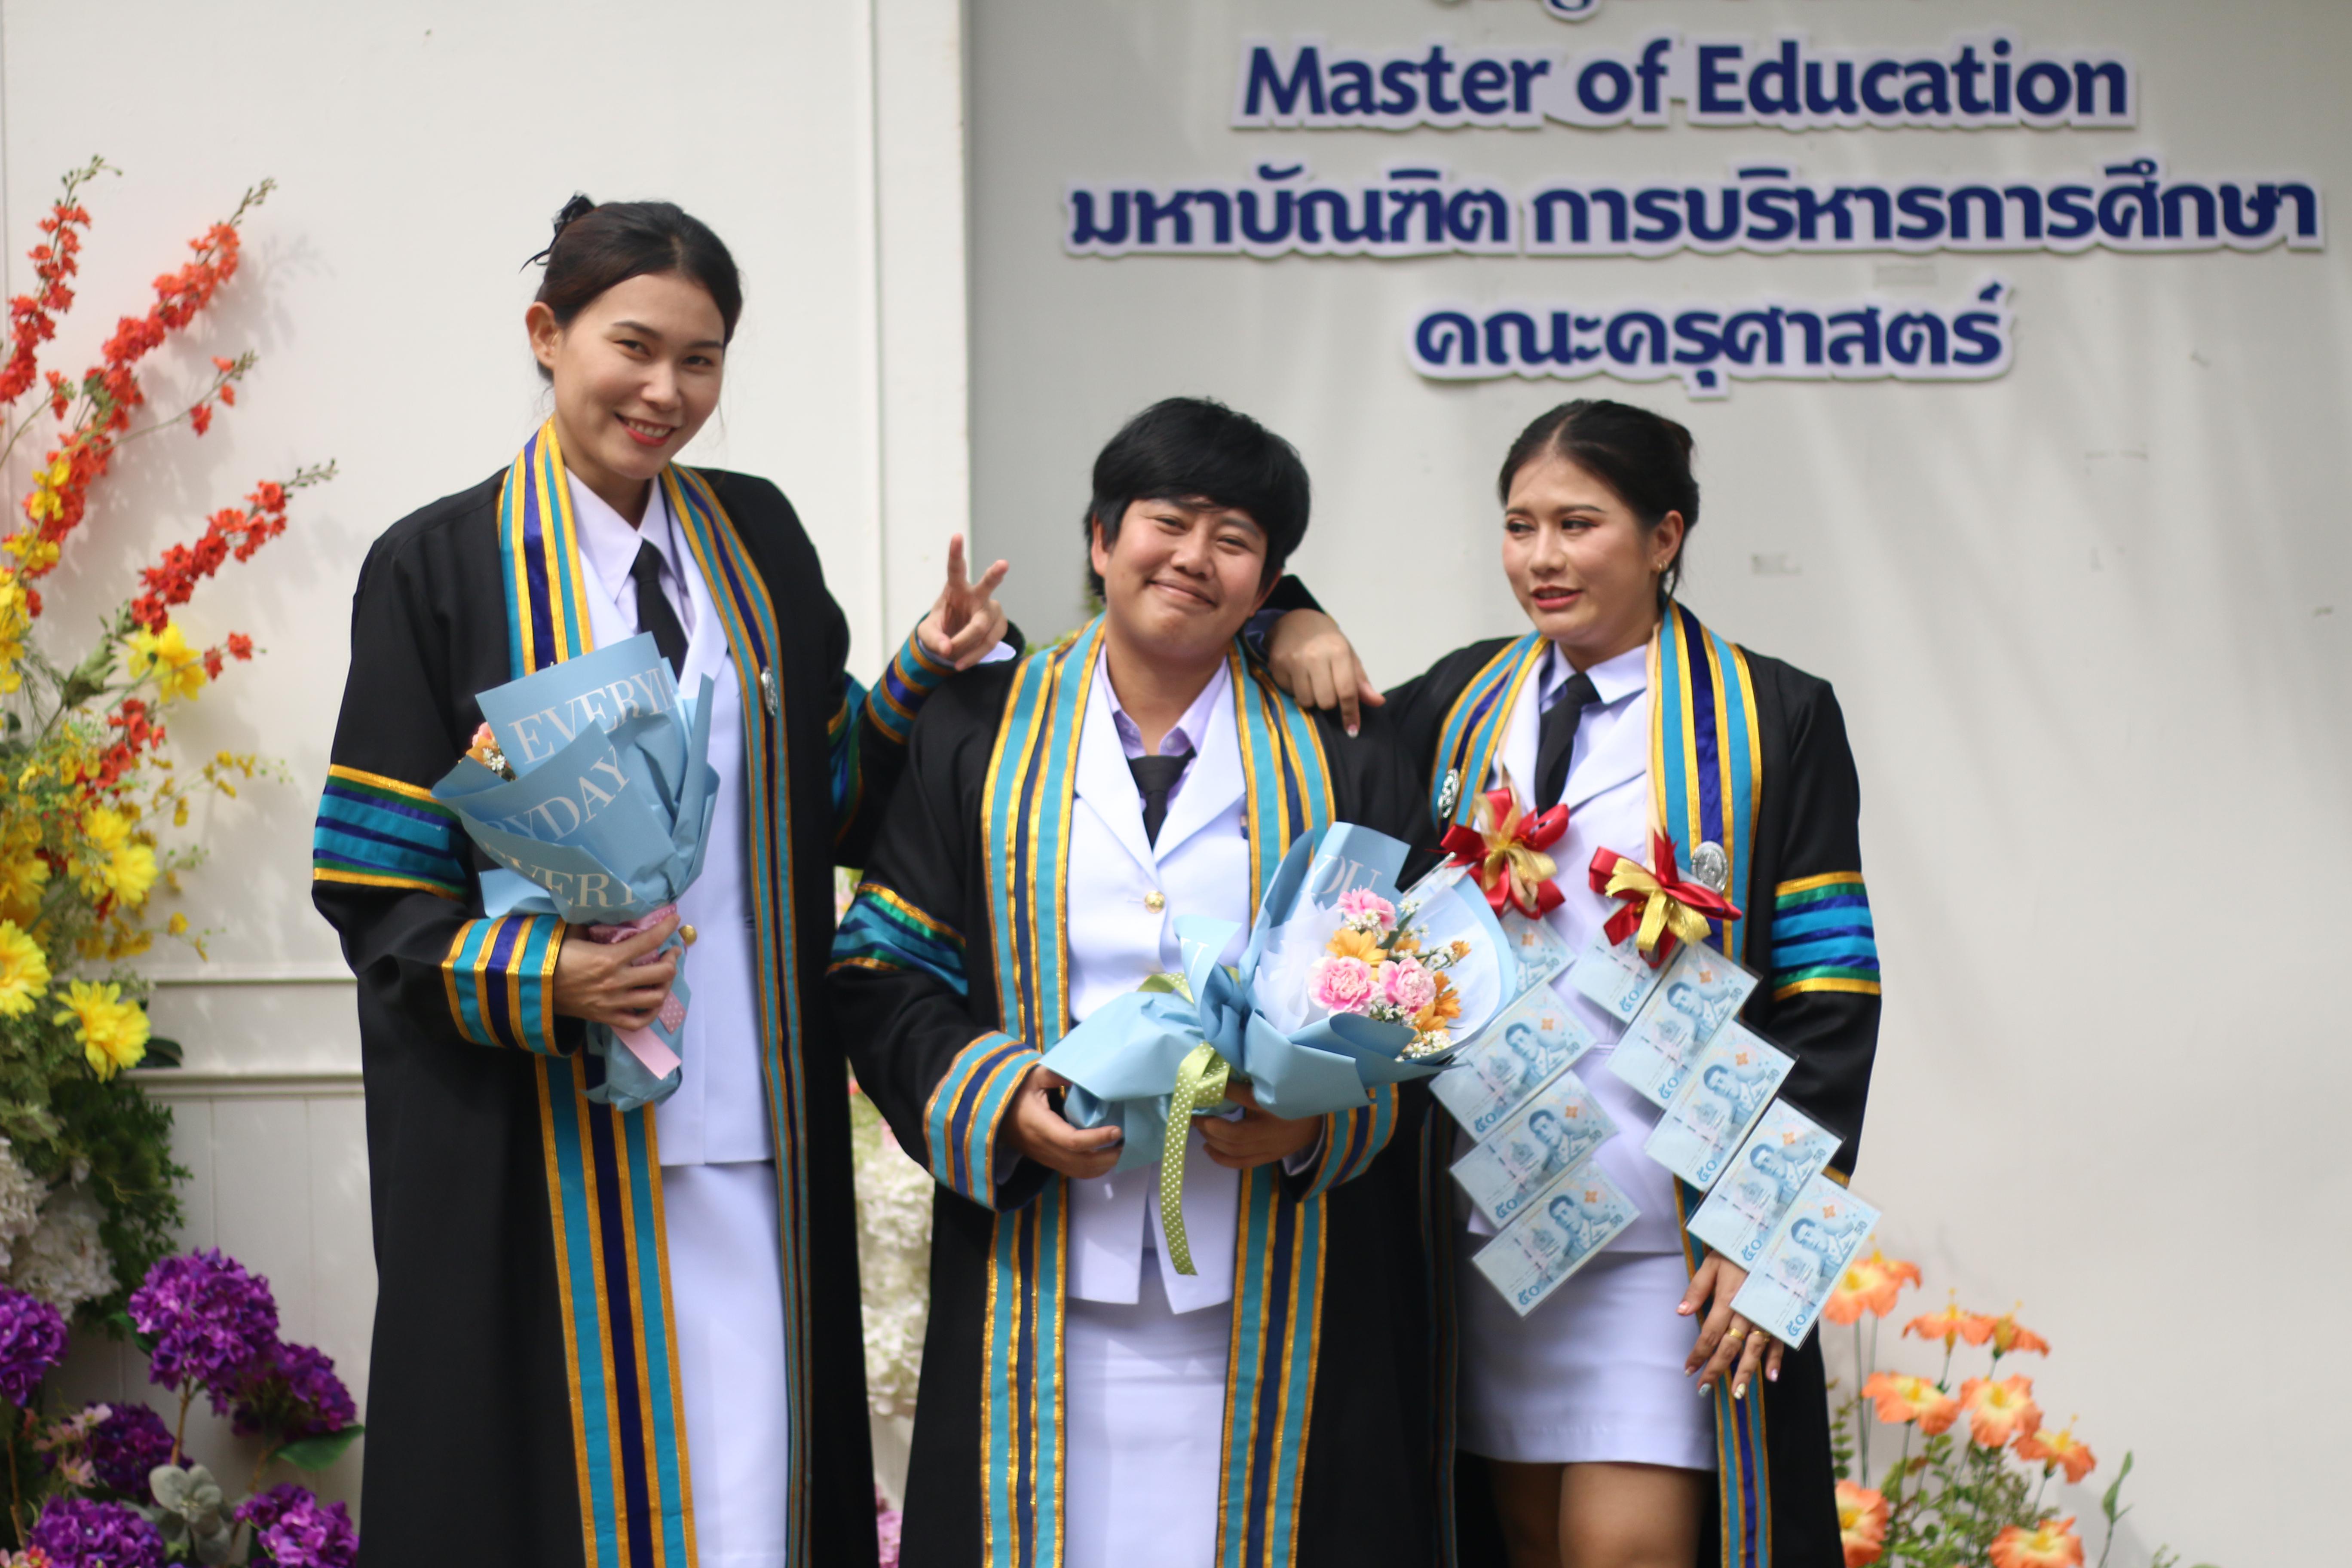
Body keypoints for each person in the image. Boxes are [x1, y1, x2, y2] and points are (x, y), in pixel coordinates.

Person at [310, 197, 1008, 1568]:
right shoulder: (442, 568)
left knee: (753, 1492)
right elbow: (376, 881)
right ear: (545, 335)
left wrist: (922, 669)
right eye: (635, 346)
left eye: (702, 360)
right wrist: (546, 976)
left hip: (748, 1110)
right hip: (543, 1140)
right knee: (556, 1503)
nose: (665, 390)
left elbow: (817, 806)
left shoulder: (752, 541)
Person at [1262, 400, 1882, 1568]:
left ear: (1663, 537)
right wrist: (1292, 616)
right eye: (1520, 525)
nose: (1542, 558)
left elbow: (1832, 989)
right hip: (1488, 1227)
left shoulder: (1775, 717)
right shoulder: (1456, 703)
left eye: (1579, 523)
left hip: (1669, 1239)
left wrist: (1767, 1225)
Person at [828, 398, 1437, 1568]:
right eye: (1169, 521)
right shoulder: (980, 726)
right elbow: (881, 962)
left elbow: (1411, 1005)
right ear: (1102, 539)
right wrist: (998, 1097)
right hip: (1038, 1268)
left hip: (1277, 1275)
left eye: (1237, 539)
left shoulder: (1347, 749)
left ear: (1272, 584)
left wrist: (1314, 1126)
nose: (1194, 559)